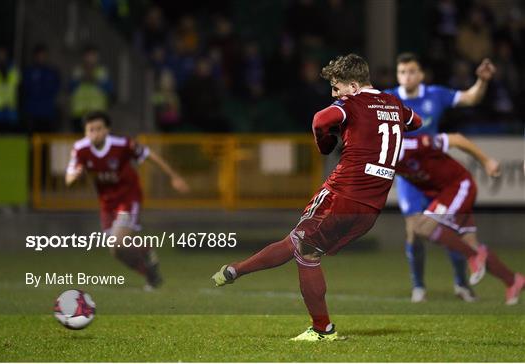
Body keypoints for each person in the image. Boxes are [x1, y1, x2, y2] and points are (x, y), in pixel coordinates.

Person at [211, 54, 426, 341]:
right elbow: (417, 121)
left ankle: (322, 329)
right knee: (299, 241)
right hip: (371, 207)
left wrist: (326, 142)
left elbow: (320, 119)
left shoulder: (352, 103)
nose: (334, 95)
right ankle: (235, 270)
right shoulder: (395, 104)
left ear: (353, 85)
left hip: (342, 194)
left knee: (307, 253)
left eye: (337, 89)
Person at [385, 52, 496, 303]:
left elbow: (471, 98)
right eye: (402, 72)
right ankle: (419, 287)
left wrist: (482, 82)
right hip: (410, 180)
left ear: (420, 74)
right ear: (397, 75)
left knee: (448, 229)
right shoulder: (389, 99)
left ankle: (461, 284)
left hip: (437, 175)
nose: (407, 76)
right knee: (414, 231)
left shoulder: (435, 94)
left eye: (411, 71)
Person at [65, 111, 189, 289]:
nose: (95, 133)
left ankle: (146, 251)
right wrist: (74, 177)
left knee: (118, 241)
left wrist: (173, 176)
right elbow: (69, 177)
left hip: (128, 197)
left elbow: (149, 155)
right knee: (116, 251)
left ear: (107, 130)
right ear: (85, 132)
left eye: (99, 129)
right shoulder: (80, 149)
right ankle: (150, 273)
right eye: (90, 130)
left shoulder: (122, 144)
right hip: (107, 203)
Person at [396, 133, 524, 305]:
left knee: (421, 227)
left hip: (458, 186)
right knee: (469, 242)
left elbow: (457, 139)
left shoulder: (412, 145)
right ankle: (512, 281)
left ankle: (474, 256)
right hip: (443, 192)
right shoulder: (379, 156)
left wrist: (486, 161)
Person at [22, 44, 61, 133]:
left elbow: (56, 88)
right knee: (32, 139)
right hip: (32, 112)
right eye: (39, 55)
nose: (41, 58)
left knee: (46, 139)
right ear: (34, 56)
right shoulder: (29, 71)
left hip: (47, 112)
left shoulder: (52, 72)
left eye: (43, 55)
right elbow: (26, 88)